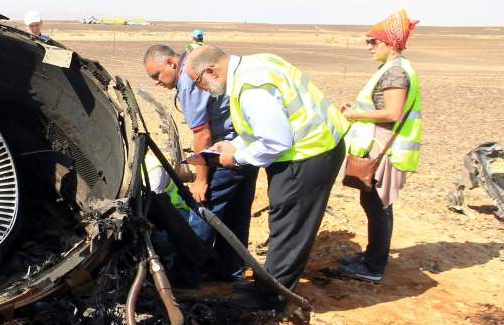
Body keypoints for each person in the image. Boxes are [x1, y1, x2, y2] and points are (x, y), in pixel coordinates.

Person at [186, 45, 349, 309]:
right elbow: (262, 127)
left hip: (308, 154)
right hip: (313, 147)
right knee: (287, 222)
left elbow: (275, 140)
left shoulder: (251, 87)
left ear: (211, 70)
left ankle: (271, 298)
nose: (201, 89)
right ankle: (273, 287)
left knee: (289, 225)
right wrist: (234, 145)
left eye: (198, 82)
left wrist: (235, 158)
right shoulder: (255, 65)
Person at [143, 45, 257, 280]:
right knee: (237, 211)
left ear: (171, 64)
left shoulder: (187, 79)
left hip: (224, 151)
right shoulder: (192, 71)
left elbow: (202, 134)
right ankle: (231, 270)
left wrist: (201, 179)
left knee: (204, 210)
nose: (156, 82)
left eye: (156, 75)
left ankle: (188, 273)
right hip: (246, 146)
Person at [338, 9, 422, 282]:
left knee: (378, 205)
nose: (369, 47)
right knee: (374, 202)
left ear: (391, 44)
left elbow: (392, 113)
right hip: (381, 144)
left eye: (373, 41)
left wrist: (354, 115)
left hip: (386, 148)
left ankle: (373, 267)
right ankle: (372, 256)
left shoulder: (396, 72)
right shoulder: (392, 69)